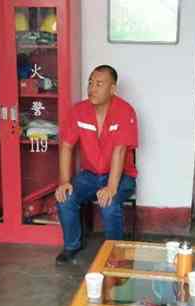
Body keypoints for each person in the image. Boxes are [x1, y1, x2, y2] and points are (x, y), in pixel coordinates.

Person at [54, 65, 138, 263]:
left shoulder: (125, 111)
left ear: (112, 89)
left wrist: (111, 187)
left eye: (99, 84)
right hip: (90, 175)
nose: (92, 88)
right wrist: (64, 182)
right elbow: (66, 146)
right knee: (65, 197)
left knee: (109, 203)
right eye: (90, 83)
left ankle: (115, 253)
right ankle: (72, 246)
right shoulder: (79, 111)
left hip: (121, 176)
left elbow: (120, 151)